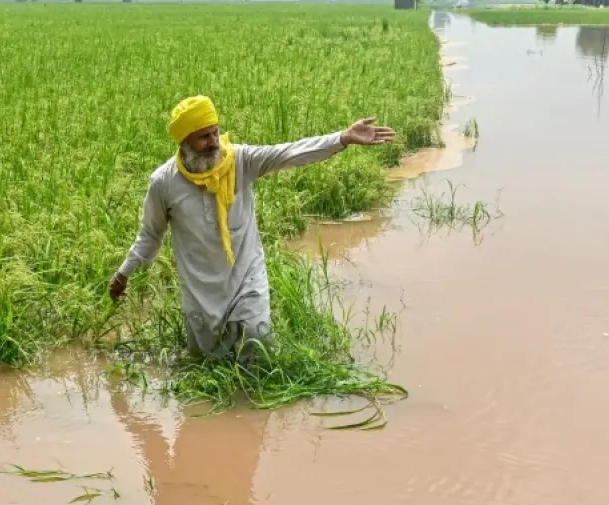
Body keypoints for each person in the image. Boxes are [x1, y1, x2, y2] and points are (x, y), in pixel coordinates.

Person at [109, 95, 395, 367]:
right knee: (206, 364)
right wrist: (124, 272)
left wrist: (342, 138)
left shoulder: (241, 161)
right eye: (203, 137)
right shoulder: (164, 183)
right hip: (199, 289)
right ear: (184, 141)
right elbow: (150, 235)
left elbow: (288, 152)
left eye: (215, 133)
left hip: (246, 277)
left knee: (256, 347)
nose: (213, 143)